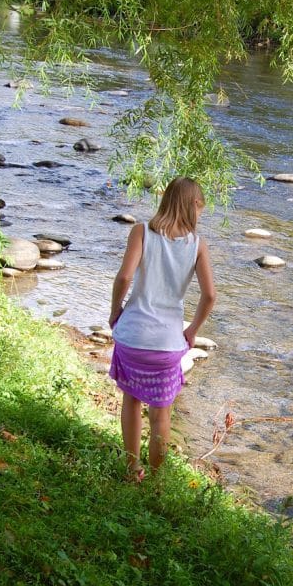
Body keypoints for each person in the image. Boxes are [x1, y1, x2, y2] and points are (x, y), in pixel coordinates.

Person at [108, 176, 216, 480]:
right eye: (202, 207)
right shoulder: (197, 245)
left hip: (133, 337)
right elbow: (210, 296)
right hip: (167, 345)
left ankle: (133, 469)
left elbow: (124, 278)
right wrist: (193, 330)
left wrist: (115, 310)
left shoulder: (141, 231)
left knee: (131, 399)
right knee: (161, 414)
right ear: (194, 206)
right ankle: (156, 479)